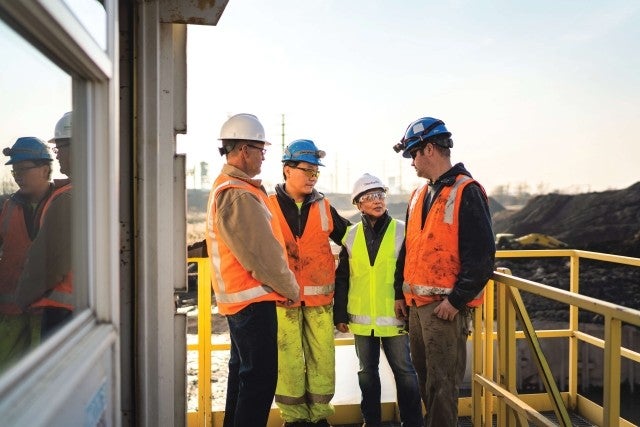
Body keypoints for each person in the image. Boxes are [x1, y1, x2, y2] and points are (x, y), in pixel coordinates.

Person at [392, 117, 495, 427]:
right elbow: (409, 249)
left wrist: (456, 301)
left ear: (430, 149)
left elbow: (481, 256)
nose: (411, 163)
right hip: (417, 308)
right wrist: (399, 292)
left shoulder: (467, 191)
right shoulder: (419, 196)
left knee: (443, 386)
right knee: (427, 382)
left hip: (444, 309)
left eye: (413, 154)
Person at [205, 113, 300, 427]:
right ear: (243, 150)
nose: (263, 156)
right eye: (261, 149)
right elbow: (262, 254)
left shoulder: (230, 186)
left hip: (240, 302)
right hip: (251, 303)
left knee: (243, 377)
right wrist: (289, 288)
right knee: (259, 381)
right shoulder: (239, 193)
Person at [269, 139, 350, 427]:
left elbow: (352, 240)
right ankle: (293, 419)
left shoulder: (324, 206)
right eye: (307, 170)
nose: (313, 176)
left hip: (319, 302)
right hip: (282, 300)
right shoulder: (266, 206)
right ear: (287, 170)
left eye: (316, 171)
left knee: (322, 361)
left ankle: (319, 417)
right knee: (287, 361)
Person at [334, 173, 423, 427]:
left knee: (405, 372)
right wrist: (339, 314)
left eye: (380, 195)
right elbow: (343, 278)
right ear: (358, 204)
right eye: (370, 197)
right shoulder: (350, 236)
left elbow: (408, 269)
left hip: (394, 314)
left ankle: (413, 422)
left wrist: (401, 297)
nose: (377, 201)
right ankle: (370, 422)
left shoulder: (402, 231)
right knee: (367, 374)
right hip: (361, 319)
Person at [12, 112, 74, 339]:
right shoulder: (97, 190)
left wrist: (23, 297)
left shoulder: (68, 198)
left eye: (60, 148)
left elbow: (49, 262)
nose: (57, 156)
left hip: (62, 315)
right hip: (79, 311)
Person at [0, 137, 55, 369]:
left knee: (43, 380)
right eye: (14, 171)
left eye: (23, 169)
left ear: (45, 169)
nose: (17, 175)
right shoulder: (7, 207)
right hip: (11, 315)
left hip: (48, 316)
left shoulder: (63, 203)